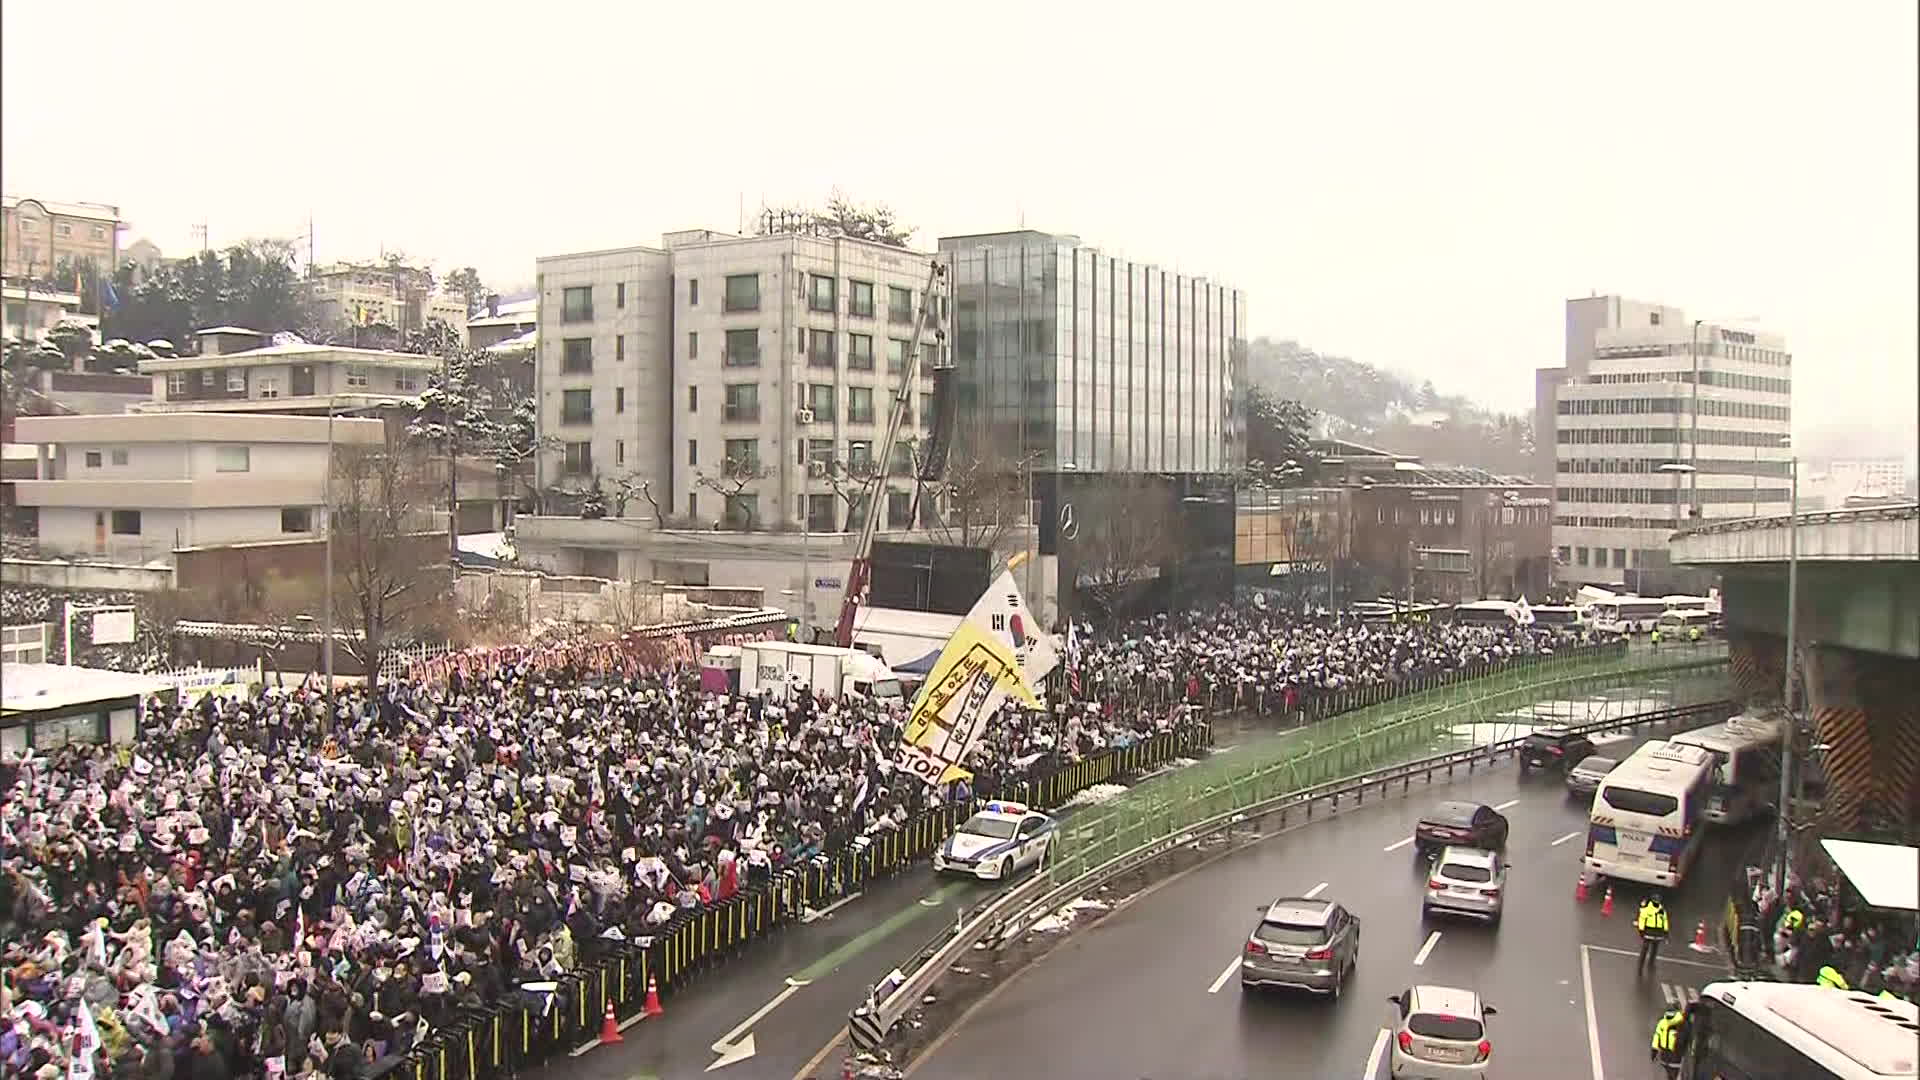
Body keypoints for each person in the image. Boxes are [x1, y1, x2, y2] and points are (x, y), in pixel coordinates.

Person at [1636, 893, 1672, 974]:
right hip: (1649, 931)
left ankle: (1651, 964)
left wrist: (1665, 931)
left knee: (1654, 950)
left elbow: (1664, 920)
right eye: (1656, 900)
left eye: (1658, 901)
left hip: (1658, 932)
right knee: (1645, 949)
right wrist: (1641, 930)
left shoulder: (1662, 910)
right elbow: (1642, 919)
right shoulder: (1647, 909)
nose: (1657, 902)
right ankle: (1640, 966)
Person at [1649, 1004, 1686, 1078]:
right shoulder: (1683, 1024)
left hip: (1665, 1059)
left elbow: (1656, 1038)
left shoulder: (1662, 1023)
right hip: (1678, 1060)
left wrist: (1654, 1053)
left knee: (1670, 1075)